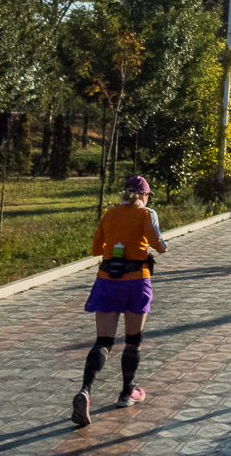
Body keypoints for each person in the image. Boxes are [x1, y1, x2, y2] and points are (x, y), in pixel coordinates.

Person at [71, 175, 168, 426]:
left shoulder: (110, 214)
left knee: (103, 341)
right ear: (144, 195)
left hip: (107, 279)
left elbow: (95, 249)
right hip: (137, 280)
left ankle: (85, 390)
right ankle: (127, 393)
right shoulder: (148, 213)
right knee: (133, 340)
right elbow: (159, 245)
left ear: (124, 194)